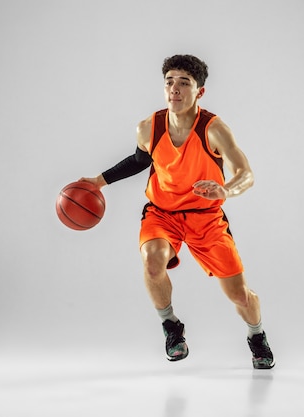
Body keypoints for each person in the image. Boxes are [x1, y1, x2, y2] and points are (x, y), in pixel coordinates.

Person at [80, 54, 274, 369]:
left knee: (240, 296)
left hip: (206, 218)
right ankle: (171, 326)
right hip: (162, 213)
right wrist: (99, 182)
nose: (175, 89)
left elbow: (246, 174)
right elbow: (139, 160)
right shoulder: (148, 127)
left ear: (200, 92)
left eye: (184, 83)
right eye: (170, 82)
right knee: (152, 262)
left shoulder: (213, 129)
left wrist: (226, 189)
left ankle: (257, 335)